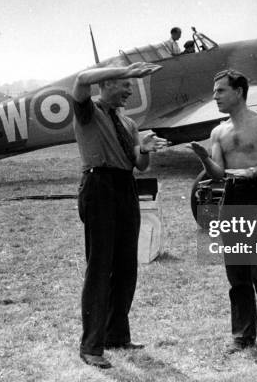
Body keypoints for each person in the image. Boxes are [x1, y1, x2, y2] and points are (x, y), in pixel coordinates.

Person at [189, 69, 257, 362]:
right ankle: (242, 336)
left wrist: (253, 171)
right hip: (231, 198)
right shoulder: (218, 132)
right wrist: (204, 157)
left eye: (220, 91)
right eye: (214, 92)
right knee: (237, 273)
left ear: (239, 92)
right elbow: (218, 173)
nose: (215, 97)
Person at [72, 62, 168, 369]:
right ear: (108, 83)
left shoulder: (128, 123)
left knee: (127, 265)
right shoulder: (88, 111)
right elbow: (80, 79)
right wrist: (125, 69)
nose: (130, 89)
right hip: (98, 185)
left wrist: (147, 148)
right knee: (100, 267)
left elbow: (140, 166)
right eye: (125, 84)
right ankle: (91, 345)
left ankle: (116, 335)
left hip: (125, 187)